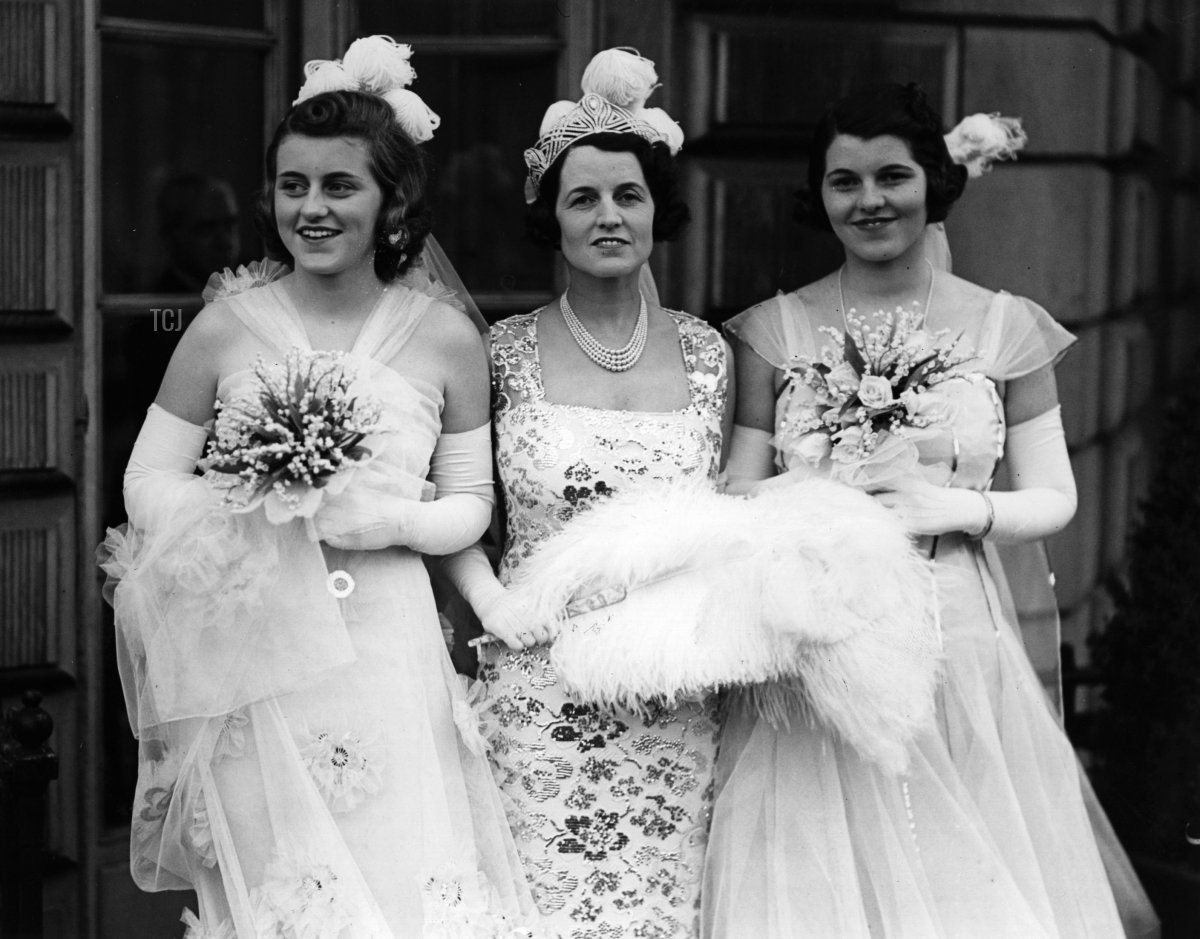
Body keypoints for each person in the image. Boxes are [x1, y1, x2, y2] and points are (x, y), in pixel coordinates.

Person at [99, 37, 534, 937]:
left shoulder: (444, 337)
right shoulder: (224, 329)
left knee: (400, 870)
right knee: (283, 890)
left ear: (390, 202)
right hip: (261, 648)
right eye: (294, 186)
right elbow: (146, 479)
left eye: (341, 186)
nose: (314, 208)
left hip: (387, 642)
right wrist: (251, 509)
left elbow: (472, 505)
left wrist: (388, 522)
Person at [704, 83, 1158, 938]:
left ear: (933, 183)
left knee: (958, 866)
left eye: (892, 176)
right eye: (845, 181)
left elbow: (1054, 496)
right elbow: (733, 488)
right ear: (821, 194)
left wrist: (947, 505)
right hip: (819, 626)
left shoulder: (1006, 327)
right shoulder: (772, 331)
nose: (869, 200)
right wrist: (828, 503)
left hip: (957, 618)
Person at [444, 48, 732, 938]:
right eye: (583, 198)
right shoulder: (499, 354)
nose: (608, 215)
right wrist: (491, 605)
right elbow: (456, 511)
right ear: (552, 220)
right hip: (537, 688)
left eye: (628, 196)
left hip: (675, 698)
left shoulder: (711, 354)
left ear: (657, 212)